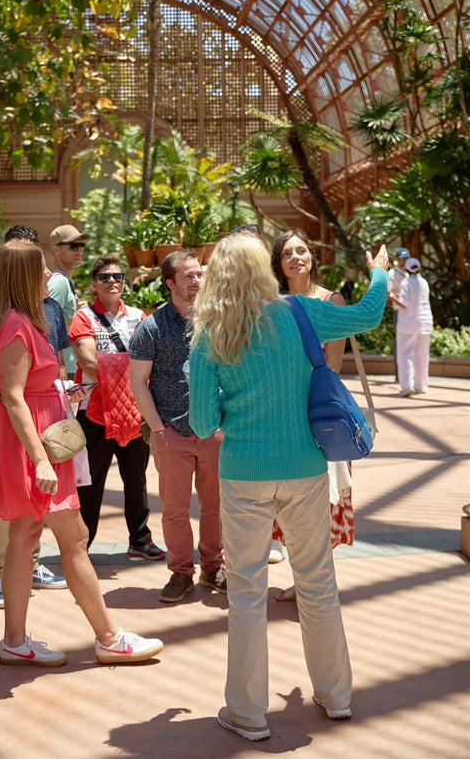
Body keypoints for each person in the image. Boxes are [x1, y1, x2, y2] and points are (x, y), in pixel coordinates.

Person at [189, 233, 389, 740]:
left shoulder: (212, 333)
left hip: (242, 475)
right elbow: (368, 314)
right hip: (304, 470)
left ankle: (248, 714)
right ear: (265, 267)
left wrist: (229, 399)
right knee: (318, 583)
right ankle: (337, 696)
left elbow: (201, 421)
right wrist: (381, 270)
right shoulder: (301, 311)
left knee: (248, 593)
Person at [0, 240, 163, 667]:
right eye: (41, 269)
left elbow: (19, 391)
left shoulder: (9, 319)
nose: (48, 275)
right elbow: (13, 395)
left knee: (24, 539)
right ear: (23, 276)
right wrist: (41, 458)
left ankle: (15, 640)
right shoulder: (19, 324)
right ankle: (109, 637)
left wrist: (60, 392)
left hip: (30, 437)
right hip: (37, 444)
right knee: (75, 538)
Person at [0, 225, 70, 609]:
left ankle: (29, 566)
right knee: (7, 501)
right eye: (41, 266)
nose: (49, 274)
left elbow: (52, 364)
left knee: (30, 510)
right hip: (10, 420)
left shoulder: (50, 309)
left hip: (44, 420)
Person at [129, 250, 225, 603]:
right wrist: (156, 429)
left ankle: (213, 567)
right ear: (170, 282)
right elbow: (138, 380)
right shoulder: (151, 327)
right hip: (171, 431)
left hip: (213, 431)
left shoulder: (217, 321)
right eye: (188, 276)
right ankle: (181, 572)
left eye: (199, 274)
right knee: (175, 508)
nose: (197, 280)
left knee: (215, 506)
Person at [270, 228, 350, 601]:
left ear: (312, 257)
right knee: (288, 500)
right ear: (279, 263)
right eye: (288, 253)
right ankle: (306, 580)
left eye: (301, 250)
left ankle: (317, 583)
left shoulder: (330, 300)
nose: (296, 257)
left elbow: (332, 366)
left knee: (323, 499)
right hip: (280, 417)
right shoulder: (272, 302)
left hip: (318, 415)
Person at [69, 254, 164, 560]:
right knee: (91, 480)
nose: (113, 281)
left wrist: (125, 372)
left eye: (118, 276)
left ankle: (140, 538)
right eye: (105, 277)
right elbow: (87, 362)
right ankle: (82, 545)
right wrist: (132, 371)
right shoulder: (83, 318)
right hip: (94, 411)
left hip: (133, 411)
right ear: (94, 285)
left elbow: (154, 358)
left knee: (136, 477)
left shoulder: (138, 316)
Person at [47, 224, 89, 380]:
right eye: (73, 246)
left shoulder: (65, 281)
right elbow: (46, 322)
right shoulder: (59, 283)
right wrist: (81, 319)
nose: (79, 251)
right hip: (66, 369)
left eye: (81, 246)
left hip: (72, 366)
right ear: (56, 250)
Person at [390, 257, 433, 396]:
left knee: (405, 354)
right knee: (422, 355)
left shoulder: (406, 283)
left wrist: (391, 296)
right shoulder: (424, 283)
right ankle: (421, 386)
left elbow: (404, 304)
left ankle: (407, 387)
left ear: (407, 269)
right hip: (425, 322)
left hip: (408, 323)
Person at [388, 247, 410, 382]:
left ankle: (408, 375)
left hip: (410, 313)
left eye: (406, 259)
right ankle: (399, 375)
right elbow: (388, 292)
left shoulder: (410, 273)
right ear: (396, 260)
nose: (403, 262)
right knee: (399, 343)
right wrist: (401, 301)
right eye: (401, 259)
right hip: (399, 312)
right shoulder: (392, 273)